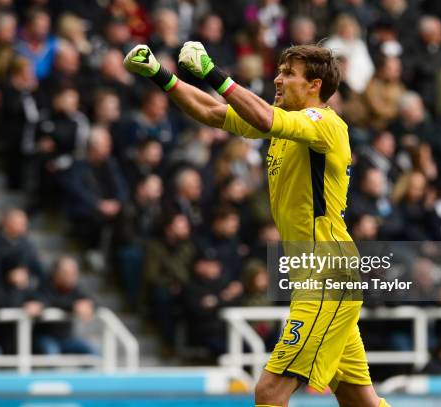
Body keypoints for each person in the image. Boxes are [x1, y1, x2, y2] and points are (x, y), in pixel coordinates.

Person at [123, 41, 389, 406]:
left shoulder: (325, 124)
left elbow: (262, 116)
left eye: (289, 74)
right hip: (316, 277)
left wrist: (212, 73)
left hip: (327, 278)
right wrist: (161, 74)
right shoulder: (283, 129)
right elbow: (213, 113)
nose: (278, 79)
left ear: (314, 86)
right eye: (279, 71)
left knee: (269, 391)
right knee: (361, 401)